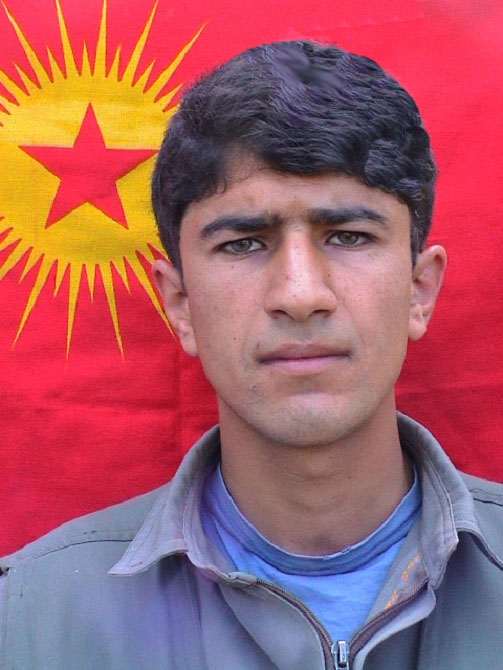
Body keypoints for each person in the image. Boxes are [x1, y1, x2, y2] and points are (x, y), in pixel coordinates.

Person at [1, 40, 502, 670]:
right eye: (243, 244)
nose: (300, 294)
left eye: (349, 236)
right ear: (180, 304)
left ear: (419, 290)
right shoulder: (29, 620)